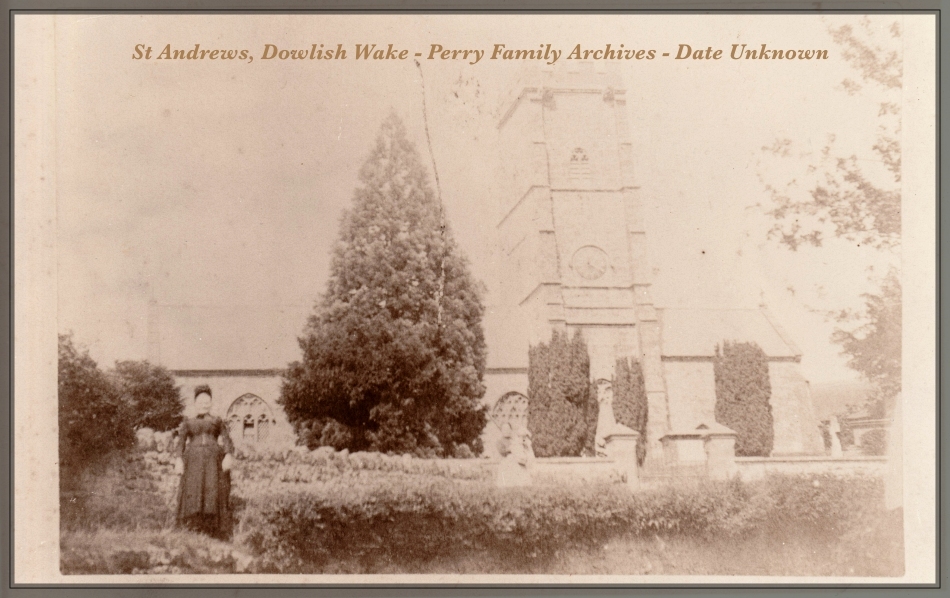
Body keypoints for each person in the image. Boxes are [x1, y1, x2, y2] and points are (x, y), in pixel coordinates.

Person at [174, 384, 234, 539]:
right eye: (200, 402)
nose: (204, 404)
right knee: (193, 490)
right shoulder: (188, 422)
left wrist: (228, 455)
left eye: (207, 401)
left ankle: (212, 529)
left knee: (212, 490)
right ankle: (192, 527)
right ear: (195, 404)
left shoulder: (217, 421)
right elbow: (180, 442)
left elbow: (227, 439)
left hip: (213, 462)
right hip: (193, 461)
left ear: (211, 403)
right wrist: (178, 459)